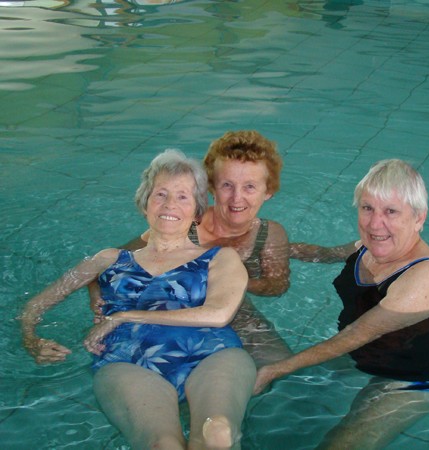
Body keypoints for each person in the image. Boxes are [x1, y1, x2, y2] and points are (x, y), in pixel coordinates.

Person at [21, 149, 256, 450]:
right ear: (144, 202)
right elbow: (35, 306)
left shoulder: (220, 258)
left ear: (198, 210)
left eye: (183, 196)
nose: (170, 204)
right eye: (160, 194)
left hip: (212, 353)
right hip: (128, 360)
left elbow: (218, 314)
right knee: (161, 445)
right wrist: (32, 340)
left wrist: (124, 316)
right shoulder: (108, 259)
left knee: (218, 433)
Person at [253, 159, 429, 450]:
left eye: (391, 211)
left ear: (419, 218)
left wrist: (275, 369)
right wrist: (267, 250)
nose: (375, 224)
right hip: (368, 353)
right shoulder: (368, 246)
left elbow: (354, 336)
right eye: (367, 208)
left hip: (411, 378)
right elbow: (325, 254)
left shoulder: (425, 276)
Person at [90, 130, 293, 368]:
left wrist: (229, 280)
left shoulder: (270, 234)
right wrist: (97, 298)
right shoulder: (181, 225)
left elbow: (277, 287)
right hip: (171, 313)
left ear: (268, 191)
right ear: (210, 187)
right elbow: (106, 263)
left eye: (250, 187)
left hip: (238, 314)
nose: (237, 198)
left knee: (280, 367)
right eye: (227, 185)